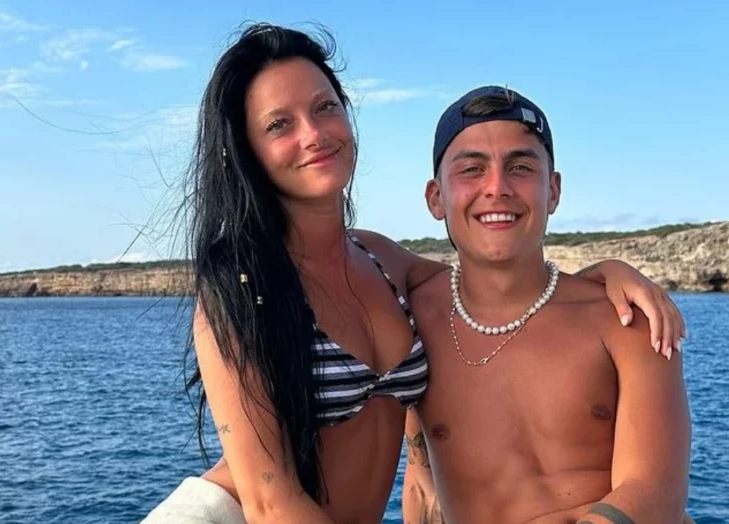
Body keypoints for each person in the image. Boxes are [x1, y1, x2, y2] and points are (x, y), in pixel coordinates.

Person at [142, 24, 685, 524]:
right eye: (279, 124)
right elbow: (270, 503)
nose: (313, 134)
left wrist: (604, 273)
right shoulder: (241, 285)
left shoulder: (385, 262)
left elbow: (500, 280)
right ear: (248, 149)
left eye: (325, 108)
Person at [402, 85, 692, 524]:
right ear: (435, 197)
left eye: (520, 167)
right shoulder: (410, 321)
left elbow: (653, 493)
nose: (496, 187)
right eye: (472, 169)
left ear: (553, 190)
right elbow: (421, 486)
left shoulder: (626, 320)